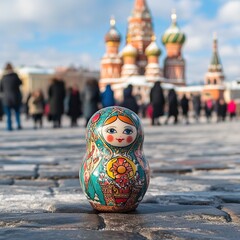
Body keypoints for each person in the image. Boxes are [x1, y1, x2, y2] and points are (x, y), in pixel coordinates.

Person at [0, 62, 22, 131]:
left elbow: (1, 88)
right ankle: (18, 125)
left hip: (6, 98)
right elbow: (21, 83)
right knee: (17, 113)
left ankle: (9, 127)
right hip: (16, 97)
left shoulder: (3, 78)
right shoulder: (15, 76)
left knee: (8, 114)